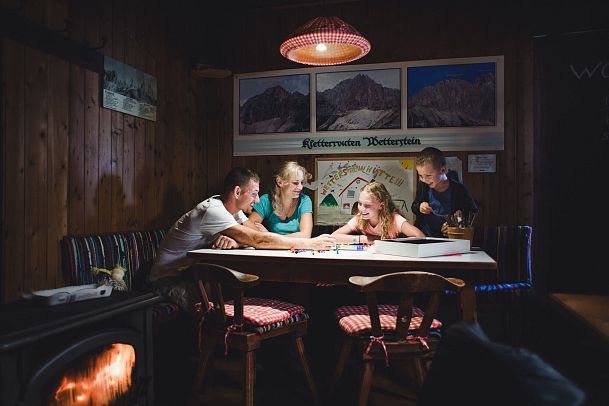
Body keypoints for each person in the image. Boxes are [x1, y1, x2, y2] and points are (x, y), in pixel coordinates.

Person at [149, 167, 336, 313]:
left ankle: (234, 353)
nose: (256, 200)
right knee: (216, 309)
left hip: (193, 275)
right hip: (169, 280)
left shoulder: (234, 211)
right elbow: (258, 239)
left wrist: (238, 241)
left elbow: (256, 232)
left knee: (240, 292)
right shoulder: (213, 210)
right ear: (237, 192)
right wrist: (309, 243)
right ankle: (212, 357)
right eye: (253, 193)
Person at [411, 147, 478, 238]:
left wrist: (453, 224)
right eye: (420, 176)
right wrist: (420, 206)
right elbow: (414, 206)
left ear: (443, 170)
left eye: (428, 176)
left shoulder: (459, 189)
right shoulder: (423, 185)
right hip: (425, 236)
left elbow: (472, 212)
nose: (424, 180)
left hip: (450, 239)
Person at [331, 181, 424, 244]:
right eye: (359, 203)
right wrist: (364, 239)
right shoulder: (360, 218)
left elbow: (421, 237)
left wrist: (393, 243)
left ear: (381, 205)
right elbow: (333, 237)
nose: (361, 209)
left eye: (367, 205)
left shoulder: (394, 219)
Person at [248, 161, 313, 237]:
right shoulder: (265, 200)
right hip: (270, 248)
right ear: (279, 182)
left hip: (294, 247)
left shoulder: (305, 200)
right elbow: (249, 228)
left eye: (302, 183)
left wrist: (269, 235)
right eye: (295, 183)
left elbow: (306, 235)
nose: (300, 187)